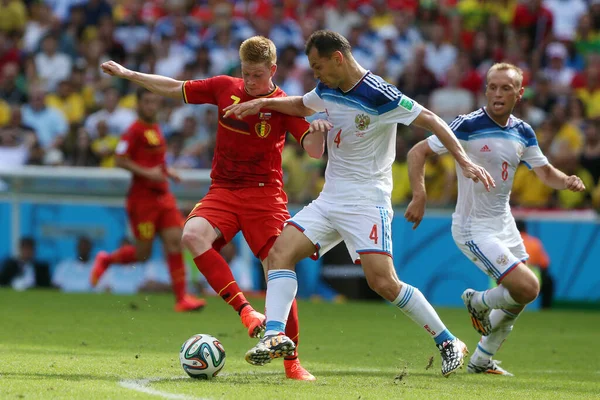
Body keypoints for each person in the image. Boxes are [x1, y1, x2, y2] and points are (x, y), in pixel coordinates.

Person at [224, 30, 495, 377]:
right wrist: (263, 102)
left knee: (383, 282)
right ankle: (275, 334)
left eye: (319, 66)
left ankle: (448, 341)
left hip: (367, 202)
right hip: (330, 198)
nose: (316, 74)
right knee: (280, 253)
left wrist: (464, 161)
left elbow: (432, 121)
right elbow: (300, 104)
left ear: (338, 58)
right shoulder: (326, 88)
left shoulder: (380, 94)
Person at [98, 35, 326, 381]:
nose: (250, 82)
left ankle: (292, 362)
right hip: (224, 189)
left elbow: (312, 150)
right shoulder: (224, 87)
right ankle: (247, 312)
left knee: (278, 269)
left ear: (273, 70)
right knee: (192, 235)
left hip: (265, 197)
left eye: (257, 75)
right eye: (246, 74)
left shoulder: (284, 104)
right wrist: (130, 74)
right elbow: (174, 87)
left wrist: (319, 130)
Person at [404, 62, 585, 376]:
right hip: (473, 227)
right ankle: (478, 301)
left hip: (504, 223)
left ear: (519, 93)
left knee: (521, 296)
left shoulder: (523, 131)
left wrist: (565, 179)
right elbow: (417, 152)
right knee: (528, 287)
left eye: (506, 88)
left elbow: (544, 172)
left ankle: (482, 359)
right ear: (485, 90)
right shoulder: (467, 125)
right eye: (492, 87)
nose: (498, 93)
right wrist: (420, 195)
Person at [90, 87, 207, 313]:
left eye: (155, 102)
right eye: (147, 103)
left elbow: (156, 159)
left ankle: (182, 298)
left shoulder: (156, 128)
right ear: (139, 104)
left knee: (175, 240)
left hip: (163, 196)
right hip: (142, 200)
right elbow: (120, 160)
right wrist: (147, 172)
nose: (151, 107)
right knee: (142, 254)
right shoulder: (133, 131)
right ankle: (106, 259)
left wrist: (166, 171)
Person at [515, 220, 553, 309]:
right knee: (549, 281)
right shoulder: (534, 242)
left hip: (507, 279)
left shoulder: (505, 242)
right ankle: (545, 309)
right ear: (526, 229)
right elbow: (545, 265)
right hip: (532, 280)